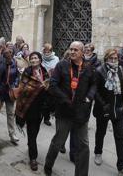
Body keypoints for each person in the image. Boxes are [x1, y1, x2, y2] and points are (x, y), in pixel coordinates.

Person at [44, 41, 96, 176]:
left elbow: (94, 84)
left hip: (81, 112)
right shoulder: (62, 65)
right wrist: (66, 100)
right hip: (64, 111)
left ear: (82, 52)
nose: (72, 52)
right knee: (58, 141)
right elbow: (53, 85)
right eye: (71, 49)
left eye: (76, 50)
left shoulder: (88, 67)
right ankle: (48, 165)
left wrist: (89, 97)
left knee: (83, 145)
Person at [93, 49, 123, 176]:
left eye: (115, 58)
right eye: (111, 58)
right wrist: (104, 105)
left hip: (119, 109)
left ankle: (122, 165)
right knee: (101, 132)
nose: (113, 60)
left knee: (120, 137)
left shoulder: (120, 70)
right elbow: (95, 91)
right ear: (106, 59)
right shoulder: (100, 71)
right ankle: (98, 152)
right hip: (104, 109)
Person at [14, 51, 50, 171]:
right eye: (32, 58)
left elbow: (49, 87)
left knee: (35, 131)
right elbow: (23, 89)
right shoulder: (27, 72)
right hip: (29, 107)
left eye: (36, 58)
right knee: (31, 132)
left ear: (40, 60)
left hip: (40, 107)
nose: (34, 60)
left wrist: (46, 87)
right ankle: (33, 158)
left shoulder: (44, 72)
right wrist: (37, 86)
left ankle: (31, 145)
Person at [0, 48, 20, 145]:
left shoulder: (14, 63)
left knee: (11, 113)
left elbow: (17, 75)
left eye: (11, 53)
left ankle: (12, 134)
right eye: (7, 54)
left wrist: (15, 84)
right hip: (1, 91)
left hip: (10, 91)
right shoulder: (0, 63)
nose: (9, 55)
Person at [41, 43, 59, 126]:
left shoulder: (56, 59)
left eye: (48, 51)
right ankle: (44, 116)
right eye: (45, 51)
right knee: (42, 101)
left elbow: (57, 70)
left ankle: (47, 118)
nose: (47, 53)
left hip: (51, 82)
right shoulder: (40, 58)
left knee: (49, 101)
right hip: (41, 82)